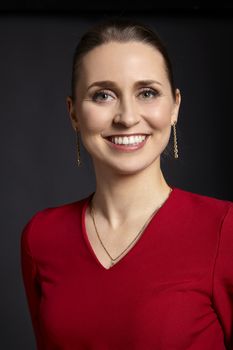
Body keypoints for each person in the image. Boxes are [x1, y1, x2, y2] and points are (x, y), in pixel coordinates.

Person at [20, 17, 233, 350]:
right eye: (103, 95)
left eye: (147, 92)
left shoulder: (224, 228)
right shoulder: (41, 236)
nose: (127, 117)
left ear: (175, 106)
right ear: (73, 113)